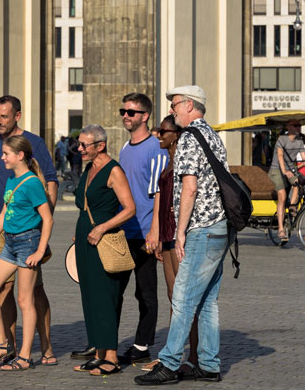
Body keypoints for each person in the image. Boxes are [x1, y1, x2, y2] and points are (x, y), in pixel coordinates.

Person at [136, 86, 230, 386]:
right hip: (220, 227)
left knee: (183, 297)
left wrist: (179, 234)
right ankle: (209, 364)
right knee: (207, 301)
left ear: (190, 105)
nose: (172, 110)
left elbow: (189, 187)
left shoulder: (190, 138)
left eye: (175, 104)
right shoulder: (213, 136)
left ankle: (169, 362)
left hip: (201, 228)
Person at [0, 95, 58, 365]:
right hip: (6, 238)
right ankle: (4, 345)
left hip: (27, 240)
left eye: (4, 116)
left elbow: (48, 211)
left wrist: (39, 245)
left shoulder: (32, 168)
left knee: (29, 297)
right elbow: (0, 207)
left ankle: (30, 353)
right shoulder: (7, 172)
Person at [70, 124, 137, 376]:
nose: (79, 149)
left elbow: (130, 209)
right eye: (80, 144)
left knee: (105, 298)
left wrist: (101, 228)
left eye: (84, 145)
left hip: (103, 241)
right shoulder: (89, 168)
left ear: (100, 145)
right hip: (85, 241)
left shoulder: (113, 170)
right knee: (89, 297)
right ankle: (99, 353)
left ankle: (111, 357)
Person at [115, 92, 169, 366]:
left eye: (131, 112)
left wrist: (155, 233)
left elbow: (160, 192)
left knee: (146, 292)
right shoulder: (125, 148)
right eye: (123, 111)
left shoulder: (156, 149)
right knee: (115, 290)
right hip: (123, 233)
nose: (126, 115)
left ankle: (142, 345)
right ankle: (106, 344)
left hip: (146, 233)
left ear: (145, 116)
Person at [143, 116, 198, 376]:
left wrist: (180, 233)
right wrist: (155, 233)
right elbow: (160, 198)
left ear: (176, 134)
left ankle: (194, 355)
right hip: (166, 233)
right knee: (173, 297)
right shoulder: (167, 162)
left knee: (185, 299)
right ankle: (172, 353)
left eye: (163, 131)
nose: (158, 135)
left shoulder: (184, 161)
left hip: (179, 234)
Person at [268, 119, 305, 243]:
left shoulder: (299, 142)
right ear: (289, 127)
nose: (298, 127)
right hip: (276, 170)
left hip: (290, 171)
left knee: (299, 183)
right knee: (282, 196)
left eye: (299, 125)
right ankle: (280, 229)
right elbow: (279, 156)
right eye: (295, 125)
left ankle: (292, 207)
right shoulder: (282, 140)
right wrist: (284, 171)